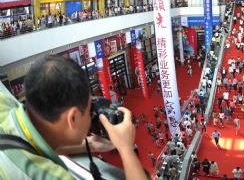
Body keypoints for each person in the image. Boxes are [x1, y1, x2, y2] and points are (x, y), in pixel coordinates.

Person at [0, 56, 147, 180]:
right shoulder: (45, 175)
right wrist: (126, 148)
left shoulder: (4, 103)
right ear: (73, 118)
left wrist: (89, 145)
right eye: (90, 110)